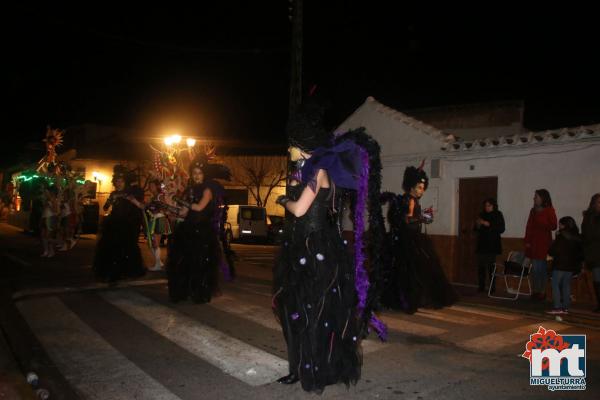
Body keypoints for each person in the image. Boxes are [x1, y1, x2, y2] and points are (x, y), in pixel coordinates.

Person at [272, 101, 386, 393]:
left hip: (313, 252)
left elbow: (298, 210)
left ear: (301, 145)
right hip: (306, 249)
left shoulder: (318, 172)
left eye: (291, 146)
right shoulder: (314, 170)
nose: (288, 151)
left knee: (313, 315)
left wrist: (282, 200)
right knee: (296, 312)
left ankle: (313, 371)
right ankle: (300, 368)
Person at [380, 165, 459, 313]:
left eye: (423, 188)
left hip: (405, 240)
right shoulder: (410, 200)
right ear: (411, 187)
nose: (421, 190)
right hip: (410, 241)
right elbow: (407, 219)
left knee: (407, 272)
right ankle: (410, 300)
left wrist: (422, 217)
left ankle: (406, 299)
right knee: (416, 272)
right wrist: (423, 217)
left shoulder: (406, 199)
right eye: (419, 187)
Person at [167, 153, 231, 303]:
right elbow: (184, 213)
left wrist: (180, 200)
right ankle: (186, 291)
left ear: (204, 175)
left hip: (202, 232)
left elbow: (198, 207)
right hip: (188, 230)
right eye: (194, 173)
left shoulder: (207, 190)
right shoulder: (190, 190)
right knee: (184, 263)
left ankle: (198, 292)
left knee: (199, 264)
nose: (196, 176)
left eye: (199, 173)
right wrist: (169, 207)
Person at [93, 165, 146, 283]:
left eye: (121, 181)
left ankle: (126, 270)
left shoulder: (132, 193)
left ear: (125, 182)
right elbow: (105, 208)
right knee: (112, 248)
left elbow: (141, 206)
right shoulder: (113, 193)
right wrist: (110, 200)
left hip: (128, 225)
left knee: (128, 247)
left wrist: (130, 199)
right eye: (117, 181)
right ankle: (114, 272)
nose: (119, 183)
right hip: (114, 224)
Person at [524, 189, 557, 300]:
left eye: (536, 196)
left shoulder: (549, 210)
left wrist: (541, 222)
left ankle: (542, 292)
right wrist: (527, 241)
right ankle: (535, 291)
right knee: (534, 269)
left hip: (543, 243)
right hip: (533, 243)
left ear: (543, 198)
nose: (534, 198)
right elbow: (528, 226)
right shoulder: (532, 211)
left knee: (541, 268)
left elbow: (553, 226)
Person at [546, 217, 583, 314]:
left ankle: (557, 307)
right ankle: (565, 307)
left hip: (560, 264)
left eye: (560, 224)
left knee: (556, 285)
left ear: (564, 225)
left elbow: (553, 250)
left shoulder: (561, 236)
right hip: (571, 265)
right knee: (566, 285)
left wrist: (556, 240)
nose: (559, 226)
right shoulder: (577, 236)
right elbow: (580, 253)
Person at [474, 198, 505, 293]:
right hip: (482, 244)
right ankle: (481, 286)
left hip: (492, 244)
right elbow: (476, 229)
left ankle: (492, 287)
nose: (487, 207)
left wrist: (488, 224)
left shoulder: (498, 214)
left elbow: (501, 229)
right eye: (485, 205)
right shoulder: (481, 214)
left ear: (493, 206)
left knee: (491, 267)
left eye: (489, 205)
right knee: (481, 266)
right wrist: (478, 224)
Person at [144, 179, 172, 271]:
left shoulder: (160, 196)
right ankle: (158, 262)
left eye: (152, 185)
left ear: (157, 186)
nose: (150, 187)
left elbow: (166, 207)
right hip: (153, 220)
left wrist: (160, 211)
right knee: (151, 242)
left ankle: (157, 265)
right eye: (150, 185)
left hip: (159, 219)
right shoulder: (153, 197)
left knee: (155, 242)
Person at [582, 193, 600, 312]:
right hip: (594, 253)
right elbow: (587, 235)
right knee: (597, 279)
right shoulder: (589, 217)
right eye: (599, 202)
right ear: (593, 204)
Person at [40, 184, 59, 258]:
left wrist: (50, 205)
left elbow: (56, 210)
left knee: (48, 236)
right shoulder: (47, 200)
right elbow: (43, 210)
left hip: (50, 218)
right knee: (43, 235)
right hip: (45, 217)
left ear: (52, 192)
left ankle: (51, 251)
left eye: (47, 192)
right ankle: (46, 251)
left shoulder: (54, 200)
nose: (46, 193)